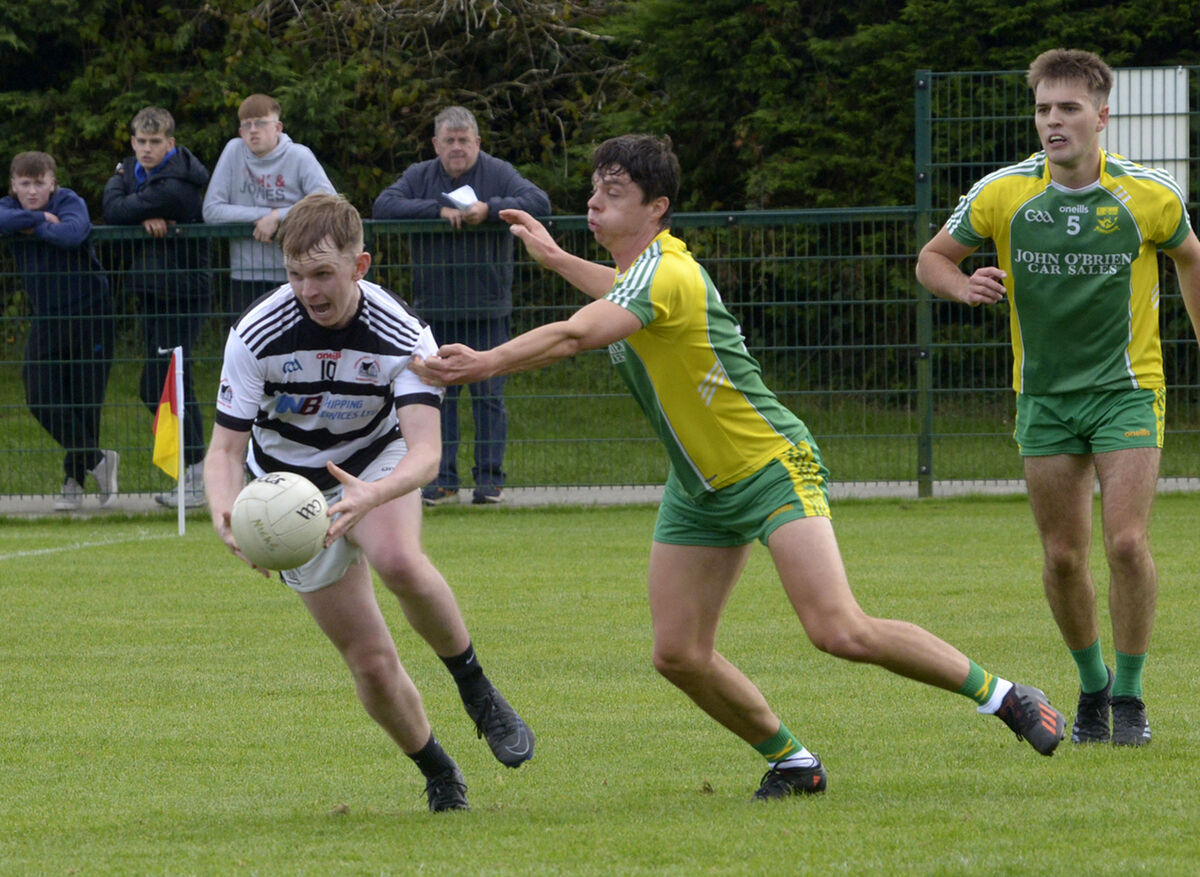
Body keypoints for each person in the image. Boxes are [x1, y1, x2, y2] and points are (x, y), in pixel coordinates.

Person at [415, 134, 1067, 801]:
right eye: (593, 190)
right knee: (677, 654)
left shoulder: (666, 271)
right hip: (698, 488)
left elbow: (581, 331)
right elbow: (615, 292)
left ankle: (1005, 696)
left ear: (656, 207)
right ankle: (792, 761)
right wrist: (555, 258)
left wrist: (486, 361)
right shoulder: (643, 275)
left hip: (769, 464)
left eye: (614, 193)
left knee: (837, 627)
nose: (594, 202)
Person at [203, 192, 534, 813]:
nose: (308, 289)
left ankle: (476, 689)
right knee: (371, 661)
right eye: (295, 274)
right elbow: (223, 452)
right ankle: (439, 772)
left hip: (378, 465)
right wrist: (227, 515)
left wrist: (372, 495)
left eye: (322, 273)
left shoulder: (401, 332)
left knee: (398, 561)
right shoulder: (255, 334)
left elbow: (425, 454)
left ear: (361, 265)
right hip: (287, 491)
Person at [916, 49, 1200, 748]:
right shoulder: (1003, 192)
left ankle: (1130, 698)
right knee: (1064, 556)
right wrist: (963, 286)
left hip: (1127, 392)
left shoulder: (1149, 194)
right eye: (1043, 108)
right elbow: (931, 259)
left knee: (1127, 543)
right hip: (1043, 397)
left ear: (1102, 116)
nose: (1053, 121)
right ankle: (1093, 685)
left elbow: (1191, 254)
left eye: (1068, 108)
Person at [374, 106, 551, 506]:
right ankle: (441, 480)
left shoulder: (497, 172)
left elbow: (539, 202)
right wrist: (437, 211)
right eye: (449, 141)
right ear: (436, 144)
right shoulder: (420, 176)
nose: (457, 148)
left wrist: (489, 210)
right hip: (434, 311)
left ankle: (489, 481)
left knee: (489, 396)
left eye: (464, 140)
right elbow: (383, 206)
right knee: (439, 396)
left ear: (478, 143)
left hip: (488, 307)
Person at [103, 106, 211, 508]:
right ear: (133, 142)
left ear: (171, 143)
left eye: (155, 142)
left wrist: (125, 189)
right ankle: (197, 471)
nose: (147, 149)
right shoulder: (133, 172)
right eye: (140, 142)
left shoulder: (177, 184)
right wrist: (129, 193)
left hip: (181, 294)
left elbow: (115, 210)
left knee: (168, 384)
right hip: (152, 292)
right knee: (159, 385)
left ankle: (200, 473)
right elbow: (114, 207)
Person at [0, 151, 118, 510]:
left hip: (90, 311)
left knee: (84, 399)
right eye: (25, 184)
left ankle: (73, 481)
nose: (32, 190)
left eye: (39, 183)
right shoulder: (10, 206)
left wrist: (30, 226)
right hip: (48, 316)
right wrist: (37, 218)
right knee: (39, 396)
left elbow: (73, 233)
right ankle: (99, 460)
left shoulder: (70, 201)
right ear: (13, 185)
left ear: (53, 183)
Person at [202, 93, 334, 318]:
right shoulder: (233, 151)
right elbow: (212, 210)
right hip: (245, 274)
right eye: (246, 125)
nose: (253, 130)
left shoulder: (299, 155)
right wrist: (266, 216)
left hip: (296, 273)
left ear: (278, 127)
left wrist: (279, 217)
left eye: (261, 123)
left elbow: (328, 200)